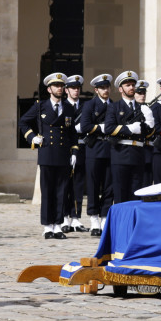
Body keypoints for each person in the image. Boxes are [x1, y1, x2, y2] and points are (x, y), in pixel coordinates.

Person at [19, 73, 78, 239]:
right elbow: (23, 121)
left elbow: (72, 132)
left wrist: (74, 151)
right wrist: (32, 137)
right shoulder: (40, 106)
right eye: (56, 86)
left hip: (63, 155)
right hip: (46, 153)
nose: (59, 88)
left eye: (61, 86)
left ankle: (58, 225)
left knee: (61, 191)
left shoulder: (68, 108)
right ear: (49, 89)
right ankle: (47, 226)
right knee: (48, 191)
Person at [104, 71, 153, 204]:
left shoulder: (142, 108)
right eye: (127, 85)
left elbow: (148, 134)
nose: (131, 88)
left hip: (138, 154)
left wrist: (150, 123)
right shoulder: (114, 107)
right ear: (120, 89)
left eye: (133, 85)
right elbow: (108, 128)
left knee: (136, 195)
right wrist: (129, 129)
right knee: (120, 194)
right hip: (121, 154)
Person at [81, 74, 113, 235]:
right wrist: (102, 127)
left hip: (110, 149)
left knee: (109, 185)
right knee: (93, 185)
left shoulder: (114, 105)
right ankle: (94, 217)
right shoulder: (89, 105)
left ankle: (105, 215)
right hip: (94, 148)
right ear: (96, 90)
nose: (105, 90)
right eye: (102, 88)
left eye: (107, 87)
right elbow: (85, 125)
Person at [62, 74, 88, 233]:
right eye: (72, 88)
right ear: (66, 90)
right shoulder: (62, 105)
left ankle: (76, 218)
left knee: (78, 184)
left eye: (78, 88)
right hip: (65, 148)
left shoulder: (86, 106)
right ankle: (64, 217)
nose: (76, 91)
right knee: (65, 184)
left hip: (82, 147)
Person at [134, 80, 155, 187]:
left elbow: (152, 132)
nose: (142, 96)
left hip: (147, 152)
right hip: (133, 151)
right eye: (139, 93)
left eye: (144, 93)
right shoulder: (130, 109)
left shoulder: (148, 109)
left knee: (147, 183)